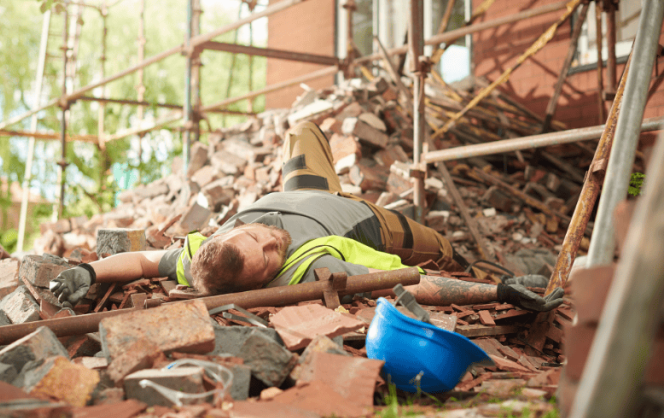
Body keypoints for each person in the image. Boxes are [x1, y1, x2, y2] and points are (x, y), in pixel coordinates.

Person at [51, 122, 564, 312]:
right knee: (439, 249)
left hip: (305, 188)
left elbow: (142, 261)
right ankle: (462, 252)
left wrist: (87, 271)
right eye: (271, 259)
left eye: (259, 238)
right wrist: (496, 292)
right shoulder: (315, 266)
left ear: (230, 231)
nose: (277, 242)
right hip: (364, 219)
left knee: (301, 126)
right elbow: (411, 281)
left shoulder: (196, 256)